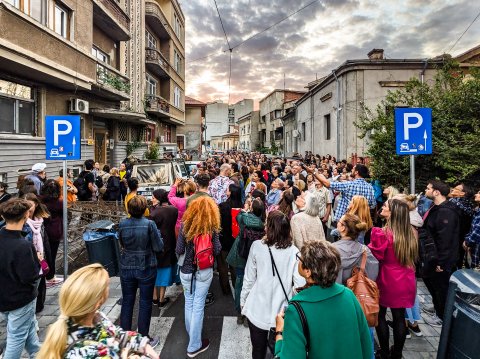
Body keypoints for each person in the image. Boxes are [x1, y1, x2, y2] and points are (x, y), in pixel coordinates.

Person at [274, 240, 373, 358]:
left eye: (300, 259)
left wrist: (279, 333)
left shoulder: (296, 309)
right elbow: (366, 344)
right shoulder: (349, 295)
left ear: (308, 271)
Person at [37, 264, 159, 359]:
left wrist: (142, 344)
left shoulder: (94, 317)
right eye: (106, 285)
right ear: (97, 302)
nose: (108, 288)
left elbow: (115, 333)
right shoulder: (84, 352)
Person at [241, 211, 305, 359]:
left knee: (257, 350)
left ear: (269, 228)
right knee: (278, 352)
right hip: (281, 314)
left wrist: (243, 301)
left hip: (257, 309)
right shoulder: (295, 252)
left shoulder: (257, 247)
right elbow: (299, 286)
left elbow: (249, 279)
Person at [368, 199, 418, 359]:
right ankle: (397, 353)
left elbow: (375, 256)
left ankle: (383, 351)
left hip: (387, 278)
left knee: (381, 315)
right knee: (399, 317)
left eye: (385, 206)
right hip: (406, 278)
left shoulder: (381, 233)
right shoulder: (411, 232)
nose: (382, 207)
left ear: (393, 213)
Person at [176, 196, 222, 358]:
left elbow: (179, 249)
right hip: (204, 271)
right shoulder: (212, 227)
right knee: (198, 306)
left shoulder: (185, 225)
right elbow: (217, 250)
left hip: (186, 271)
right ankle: (194, 344)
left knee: (189, 302)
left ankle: (192, 337)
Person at [118, 195, 163, 345]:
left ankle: (124, 337)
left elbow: (122, 243)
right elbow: (158, 246)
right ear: (145, 209)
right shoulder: (149, 224)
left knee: (127, 301)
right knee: (145, 302)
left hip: (127, 265)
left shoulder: (122, 224)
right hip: (146, 265)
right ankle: (143, 337)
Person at [0, 198, 41, 359]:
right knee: (16, 338)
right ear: (26, 215)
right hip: (20, 298)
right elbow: (29, 277)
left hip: (4, 297)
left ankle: (38, 354)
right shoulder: (23, 245)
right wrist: (37, 261)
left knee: (28, 329)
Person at [421, 180, 461, 326]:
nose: (426, 190)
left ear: (436, 192)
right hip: (433, 257)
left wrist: (441, 263)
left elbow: (446, 240)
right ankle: (438, 309)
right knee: (434, 286)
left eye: (428, 188)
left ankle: (442, 317)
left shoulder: (446, 212)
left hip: (440, 260)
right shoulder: (437, 207)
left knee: (440, 288)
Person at [312, 164, 376, 224]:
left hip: (346, 222)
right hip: (361, 222)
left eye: (353, 169)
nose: (351, 170)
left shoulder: (349, 184)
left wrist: (314, 173)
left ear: (356, 172)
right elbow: (373, 205)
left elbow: (327, 184)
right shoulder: (370, 187)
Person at [149, 189, 178, 307]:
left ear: (159, 199)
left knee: (155, 272)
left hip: (157, 245)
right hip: (170, 243)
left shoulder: (154, 214)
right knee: (165, 271)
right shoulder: (174, 210)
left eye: (153, 197)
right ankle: (161, 298)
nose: (152, 199)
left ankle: (154, 297)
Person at [23, 192, 51, 313]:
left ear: (36, 205)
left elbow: (44, 238)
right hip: (30, 256)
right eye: (26, 205)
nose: (29, 208)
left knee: (41, 281)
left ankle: (39, 305)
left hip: (41, 255)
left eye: (31, 204)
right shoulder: (22, 222)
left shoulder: (40, 220)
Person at [333, 213, 378, 285]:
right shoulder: (365, 250)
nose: (337, 222)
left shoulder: (332, 250)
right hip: (358, 293)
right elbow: (373, 273)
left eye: (339, 221)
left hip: (337, 294)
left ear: (343, 228)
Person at [218, 184, 243, 295]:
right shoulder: (241, 206)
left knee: (222, 266)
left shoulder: (223, 206)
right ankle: (236, 287)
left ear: (231, 192)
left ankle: (225, 289)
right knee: (234, 266)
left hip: (223, 240)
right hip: (236, 240)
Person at [40, 180, 64, 286]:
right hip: (55, 230)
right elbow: (64, 215)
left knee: (42, 253)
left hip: (42, 229)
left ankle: (43, 273)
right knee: (52, 254)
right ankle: (50, 276)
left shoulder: (40, 201)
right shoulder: (59, 202)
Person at [449, 183, 475, 269]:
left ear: (462, 193)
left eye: (456, 189)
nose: (452, 189)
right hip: (462, 240)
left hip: (452, 240)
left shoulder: (452, 205)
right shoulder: (470, 206)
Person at [464, 189, 480, 269]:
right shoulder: (477, 210)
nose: (476, 194)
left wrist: (467, 241)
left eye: (479, 193)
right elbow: (472, 229)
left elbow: (477, 231)